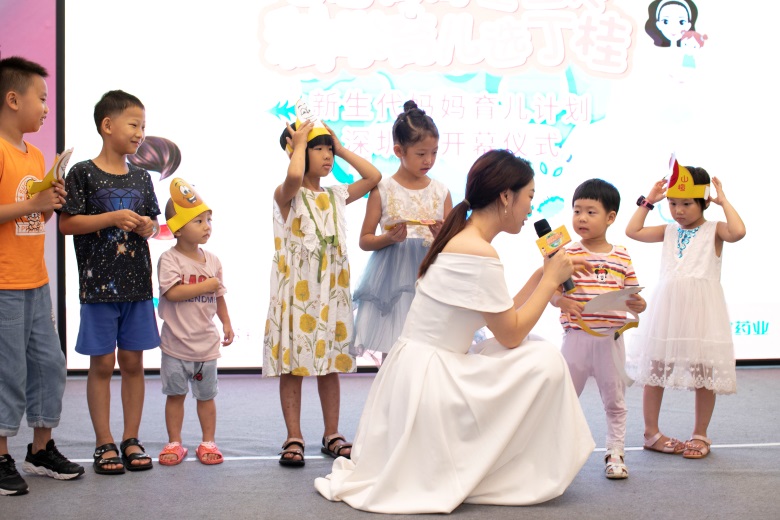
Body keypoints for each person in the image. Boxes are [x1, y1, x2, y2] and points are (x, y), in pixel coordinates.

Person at [315, 149, 595, 514]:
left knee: (534, 351)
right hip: (432, 379)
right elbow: (510, 334)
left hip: (417, 374)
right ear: (506, 196)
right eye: (529, 196)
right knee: (542, 358)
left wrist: (544, 275)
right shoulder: (476, 250)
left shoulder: (463, 239)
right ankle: (514, 469)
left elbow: (499, 314)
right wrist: (550, 280)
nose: (531, 207)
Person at [263, 116, 381, 467]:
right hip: (297, 292)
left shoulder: (335, 194)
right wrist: (298, 145)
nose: (326, 155)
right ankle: (294, 436)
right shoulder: (287, 193)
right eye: (318, 148)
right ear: (297, 151)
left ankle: (332, 434)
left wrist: (341, 148)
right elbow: (294, 178)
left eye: (328, 148)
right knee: (293, 366)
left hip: (331, 290)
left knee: (330, 365)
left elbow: (373, 177)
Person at [59, 90, 161, 475]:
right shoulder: (82, 173)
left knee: (133, 362)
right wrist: (113, 217)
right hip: (98, 288)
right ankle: (104, 442)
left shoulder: (142, 176)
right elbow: (67, 223)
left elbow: (152, 224)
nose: (140, 133)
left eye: (143, 126)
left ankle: (131, 438)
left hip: (137, 287)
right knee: (102, 364)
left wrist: (147, 226)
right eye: (134, 124)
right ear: (107, 125)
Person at [0, 56, 84, 496]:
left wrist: (50, 203)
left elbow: (32, 218)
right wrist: (34, 204)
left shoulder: (34, 155)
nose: (47, 108)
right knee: (8, 372)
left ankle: (40, 450)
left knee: (50, 365)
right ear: (13, 100)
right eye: (42, 98)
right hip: (4, 284)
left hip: (36, 280)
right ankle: (0, 456)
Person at [626, 161, 745, 459]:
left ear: (704, 201)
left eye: (687, 204)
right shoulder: (668, 231)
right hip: (667, 310)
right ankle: (651, 433)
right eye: (673, 203)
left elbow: (738, 231)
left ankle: (700, 434)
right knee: (655, 369)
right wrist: (649, 201)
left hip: (702, 312)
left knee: (703, 372)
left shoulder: (714, 230)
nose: (678, 211)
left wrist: (723, 201)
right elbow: (633, 230)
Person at [550, 179, 646, 480]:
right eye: (577, 210)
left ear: (610, 217)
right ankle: (555, 454)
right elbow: (551, 292)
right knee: (563, 398)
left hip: (610, 341)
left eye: (591, 212)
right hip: (576, 339)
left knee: (615, 401)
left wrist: (639, 304)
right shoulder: (565, 254)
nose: (581, 218)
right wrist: (561, 301)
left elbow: (633, 295)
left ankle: (615, 453)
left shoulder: (621, 255)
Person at [352, 100, 452, 362]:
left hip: (430, 273)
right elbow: (365, 240)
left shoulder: (441, 191)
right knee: (394, 345)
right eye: (421, 154)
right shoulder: (383, 189)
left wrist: (442, 236)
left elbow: (455, 243)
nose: (429, 160)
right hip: (392, 277)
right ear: (399, 151)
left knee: (433, 348)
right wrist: (388, 238)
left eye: (434, 152)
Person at [156, 178, 233, 466]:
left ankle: (208, 441)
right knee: (175, 396)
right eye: (198, 221)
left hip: (206, 347)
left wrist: (226, 323)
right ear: (177, 228)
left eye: (209, 220)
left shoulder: (213, 261)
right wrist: (205, 286)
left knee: (206, 397)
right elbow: (172, 293)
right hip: (175, 345)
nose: (206, 226)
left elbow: (219, 296)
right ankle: (174, 442)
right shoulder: (169, 260)